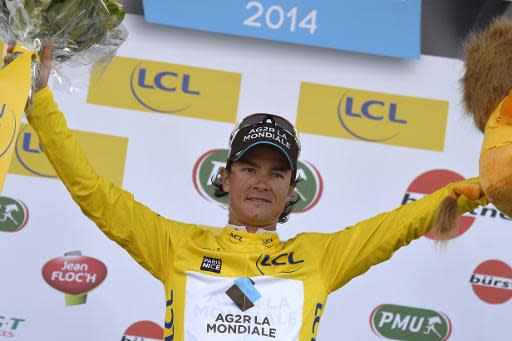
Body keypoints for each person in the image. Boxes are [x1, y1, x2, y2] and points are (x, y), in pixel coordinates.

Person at [4, 43, 489, 341]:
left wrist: (481, 187)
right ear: (225, 177)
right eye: (250, 167)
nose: (262, 180)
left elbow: (401, 224)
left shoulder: (320, 257)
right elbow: (92, 192)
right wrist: (41, 102)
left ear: (290, 191)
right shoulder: (177, 245)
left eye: (277, 173)